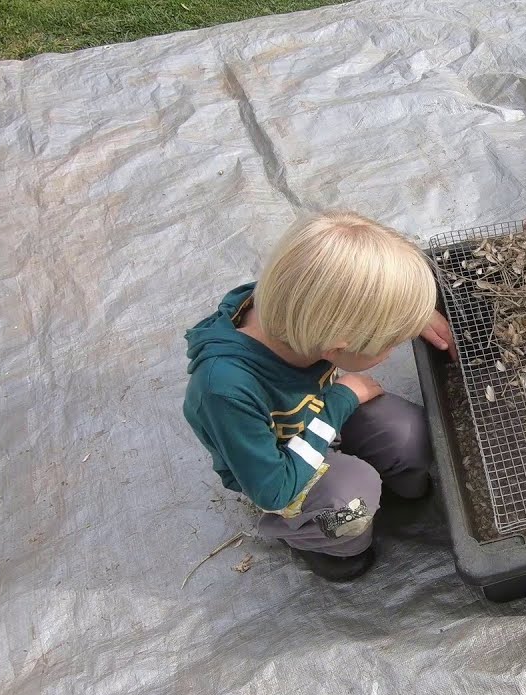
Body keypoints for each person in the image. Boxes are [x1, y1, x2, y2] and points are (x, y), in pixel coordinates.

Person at [182, 211, 454, 581]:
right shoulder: (225, 391)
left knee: (413, 435)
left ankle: (398, 488)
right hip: (278, 469)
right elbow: (273, 491)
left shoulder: (298, 306)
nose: (393, 350)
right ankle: (331, 546)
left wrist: (403, 310)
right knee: (352, 507)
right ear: (336, 344)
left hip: (317, 414)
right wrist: (340, 400)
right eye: (390, 341)